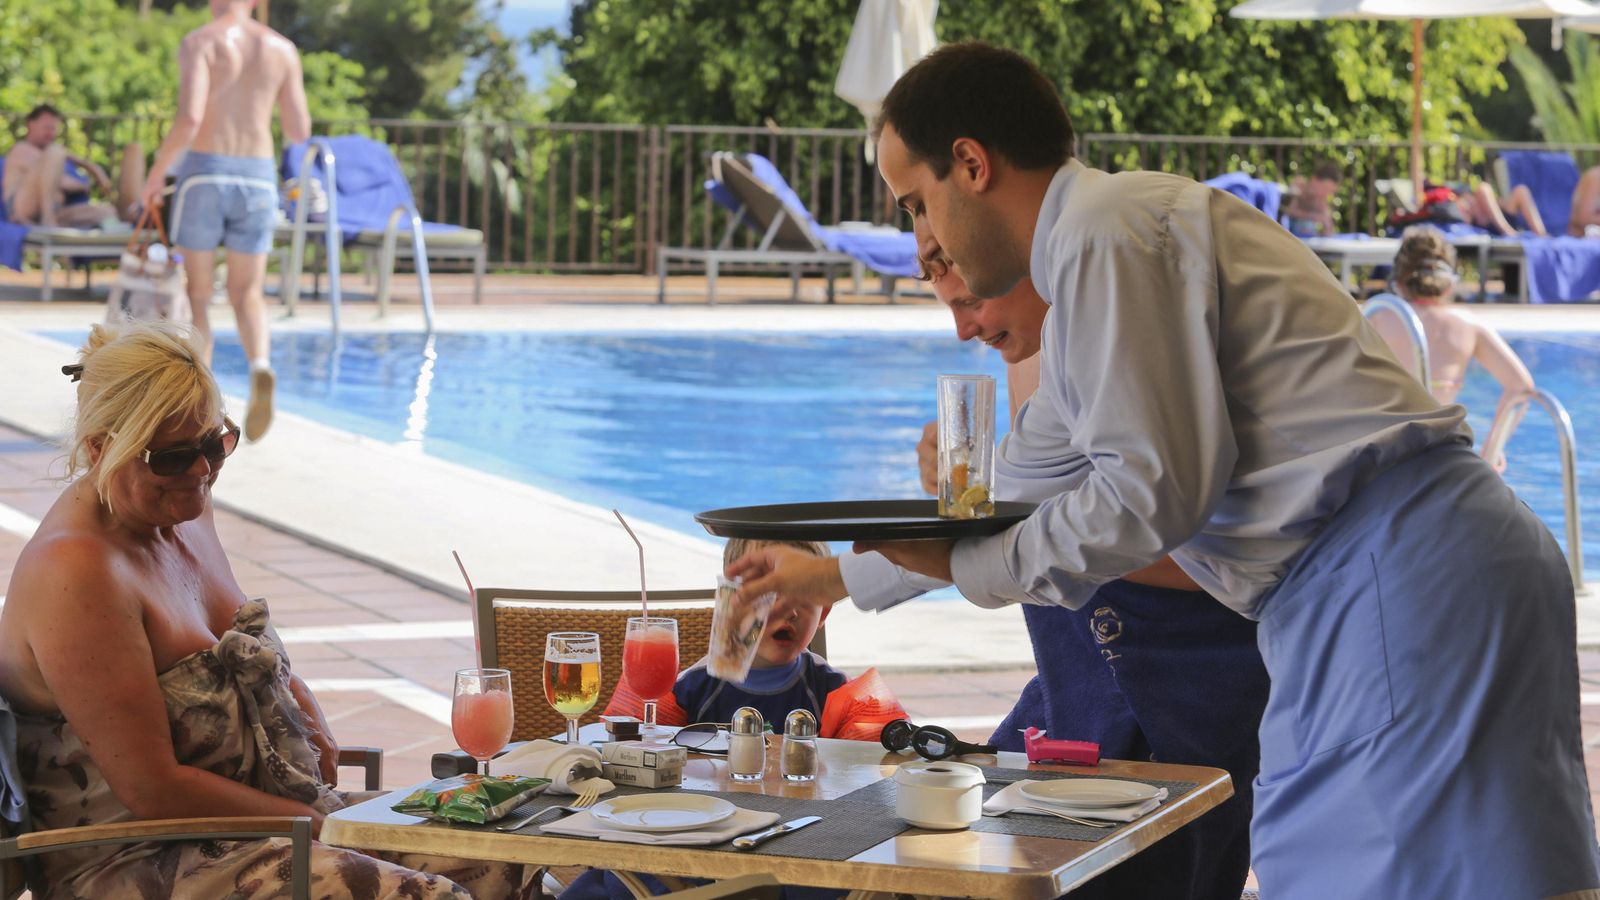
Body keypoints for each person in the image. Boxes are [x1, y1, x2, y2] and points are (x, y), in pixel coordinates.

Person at [735, 42, 1600, 899]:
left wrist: (968, 568)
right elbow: (1002, 499)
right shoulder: (1095, 275)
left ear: (970, 164)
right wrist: (825, 575)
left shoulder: (1107, 236)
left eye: (916, 207)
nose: (928, 245)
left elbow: (1151, 497)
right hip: (1415, 572)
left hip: (1394, 578)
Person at [734, 263, 1268, 900]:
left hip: (1189, 687)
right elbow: (1026, 523)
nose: (962, 329)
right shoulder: (1031, 349)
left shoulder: (1138, 331)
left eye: (965, 292)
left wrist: (840, 574)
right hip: (1074, 695)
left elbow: (1190, 550)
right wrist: (967, 509)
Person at [0, 321, 538, 899]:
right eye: (174, 456)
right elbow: (151, 789)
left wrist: (302, 702)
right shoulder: (77, 573)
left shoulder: (181, 507)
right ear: (101, 448)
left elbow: (234, 641)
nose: (202, 470)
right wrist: (319, 827)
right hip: (141, 853)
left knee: (508, 858)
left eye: (215, 444)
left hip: (267, 822)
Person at [139, 0, 311, 443]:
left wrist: (156, 175)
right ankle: (260, 366)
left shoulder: (201, 42)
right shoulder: (282, 49)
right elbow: (297, 129)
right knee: (246, 292)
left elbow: (190, 118)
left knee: (198, 294)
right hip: (256, 176)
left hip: (205, 175)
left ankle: (201, 404)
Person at [605, 538, 904, 735]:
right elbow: (632, 758)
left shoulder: (834, 692)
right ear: (730, 605)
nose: (789, 611)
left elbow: (873, 777)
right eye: (768, 595)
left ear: (823, 613)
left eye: (803, 595)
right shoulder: (688, 690)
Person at [1369, 225, 1535, 471]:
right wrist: (1491, 451)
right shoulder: (1468, 325)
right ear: (1448, 285)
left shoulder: (1380, 315)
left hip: (1386, 450)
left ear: (1399, 283)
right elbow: (1520, 387)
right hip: (1443, 453)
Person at [3, 104, 144, 228]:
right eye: (47, 128)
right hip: (22, 212)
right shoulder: (22, 150)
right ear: (30, 124)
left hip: (57, 213)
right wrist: (83, 185)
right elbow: (62, 181)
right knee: (56, 150)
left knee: (107, 211)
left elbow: (65, 157)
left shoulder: (50, 154)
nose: (50, 133)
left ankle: (129, 220)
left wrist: (94, 168)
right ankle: (48, 220)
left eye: (54, 129)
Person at [1281, 158, 1342, 237]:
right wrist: (1312, 216)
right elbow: (1286, 211)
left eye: (1329, 191)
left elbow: (1328, 228)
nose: (1326, 194)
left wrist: (1327, 225)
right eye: (1325, 188)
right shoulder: (1298, 187)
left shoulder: (1320, 202)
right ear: (1314, 179)